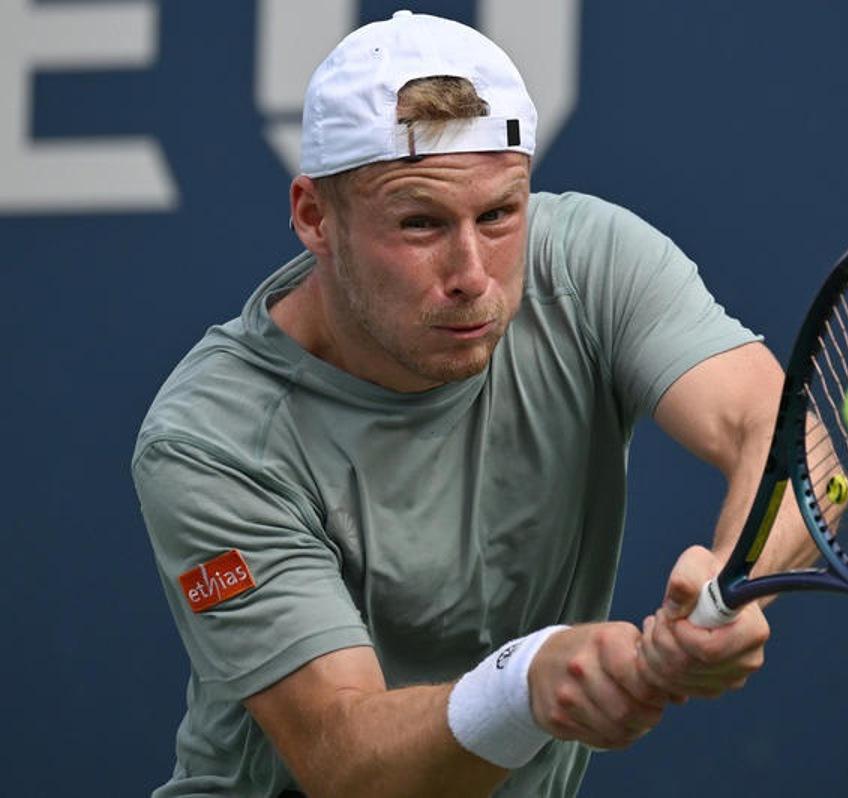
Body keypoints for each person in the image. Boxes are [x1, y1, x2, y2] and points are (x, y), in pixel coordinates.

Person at [134, 10, 808, 797]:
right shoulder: (210, 438)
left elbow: (788, 437)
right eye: (419, 223)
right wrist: (524, 684)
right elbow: (346, 761)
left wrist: (734, 583)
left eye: (499, 215)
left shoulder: (587, 262)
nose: (472, 275)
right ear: (316, 217)